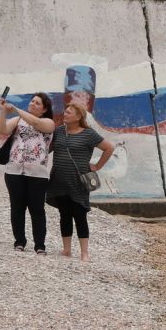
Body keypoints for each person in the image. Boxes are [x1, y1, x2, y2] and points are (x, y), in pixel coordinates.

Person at [45, 102, 114, 261]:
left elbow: (109, 148)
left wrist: (97, 166)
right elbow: (48, 149)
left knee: (80, 215)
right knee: (64, 215)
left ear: (78, 117)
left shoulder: (89, 134)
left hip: (78, 183)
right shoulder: (59, 131)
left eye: (69, 112)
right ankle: (67, 249)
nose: (65, 114)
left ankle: (84, 252)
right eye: (65, 111)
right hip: (59, 180)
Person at [0, 92, 57, 253]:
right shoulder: (17, 120)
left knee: (36, 209)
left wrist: (15, 108)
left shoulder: (48, 122)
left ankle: (39, 244)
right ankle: (19, 241)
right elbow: (2, 130)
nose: (32, 104)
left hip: (37, 173)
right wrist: (3, 111)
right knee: (17, 207)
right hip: (14, 170)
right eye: (32, 101)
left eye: (37, 103)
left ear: (44, 109)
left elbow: (36, 122)